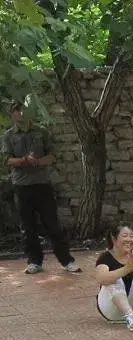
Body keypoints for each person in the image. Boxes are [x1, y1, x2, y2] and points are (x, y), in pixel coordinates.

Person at [1, 101, 80, 274]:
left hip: (42, 184)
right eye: (17, 111)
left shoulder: (41, 132)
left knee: (53, 225)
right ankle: (34, 262)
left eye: (24, 110)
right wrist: (23, 160)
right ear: (12, 114)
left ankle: (66, 261)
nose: (21, 114)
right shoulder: (8, 136)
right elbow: (7, 160)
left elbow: (52, 156)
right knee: (28, 227)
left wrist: (37, 161)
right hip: (21, 186)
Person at [95, 224, 133, 331]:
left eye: (131, 236)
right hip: (112, 310)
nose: (129, 239)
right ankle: (130, 316)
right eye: (125, 236)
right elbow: (101, 278)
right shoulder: (105, 258)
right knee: (113, 278)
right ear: (114, 239)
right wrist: (126, 269)